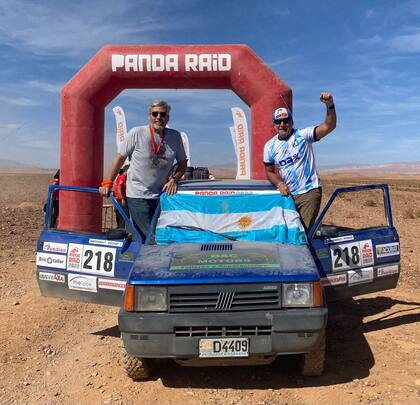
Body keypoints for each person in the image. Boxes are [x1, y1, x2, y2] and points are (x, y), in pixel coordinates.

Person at [100, 100, 187, 241]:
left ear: (168, 117)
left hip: (161, 196)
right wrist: (108, 183)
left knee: (154, 234)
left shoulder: (175, 136)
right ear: (149, 116)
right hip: (138, 194)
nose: (159, 117)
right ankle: (155, 261)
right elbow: (119, 159)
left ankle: (145, 258)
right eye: (155, 114)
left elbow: (183, 163)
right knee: (151, 236)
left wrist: (174, 179)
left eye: (163, 114)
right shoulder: (137, 133)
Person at [263, 92, 336, 232]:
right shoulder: (269, 146)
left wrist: (330, 105)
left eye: (286, 120)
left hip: (308, 193)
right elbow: (269, 171)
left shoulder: (303, 135)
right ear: (274, 125)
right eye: (278, 122)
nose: (282, 124)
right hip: (289, 195)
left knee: (302, 234)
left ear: (292, 122)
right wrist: (279, 183)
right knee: (289, 231)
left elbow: (329, 126)